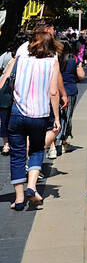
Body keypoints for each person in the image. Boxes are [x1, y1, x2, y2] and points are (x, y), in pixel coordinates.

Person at [0, 26, 61, 211]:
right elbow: (53, 92)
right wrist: (56, 117)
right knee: (35, 151)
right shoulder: (52, 62)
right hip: (40, 115)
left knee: (17, 155)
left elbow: (3, 82)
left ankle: (19, 200)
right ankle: (32, 187)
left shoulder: (19, 60)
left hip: (17, 114)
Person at [56, 38, 85, 153]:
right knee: (67, 116)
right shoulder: (74, 59)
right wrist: (80, 65)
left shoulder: (55, 60)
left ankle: (53, 145)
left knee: (55, 116)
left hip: (56, 91)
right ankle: (63, 142)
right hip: (70, 91)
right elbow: (81, 75)